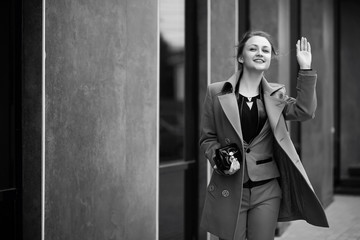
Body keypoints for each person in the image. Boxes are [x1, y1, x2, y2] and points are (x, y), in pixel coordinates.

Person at [199, 30, 329, 240]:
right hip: (231, 186)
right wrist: (217, 158)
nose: (260, 53)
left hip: (267, 189)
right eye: (253, 48)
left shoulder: (276, 95)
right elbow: (207, 138)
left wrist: (305, 68)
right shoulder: (216, 92)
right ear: (241, 57)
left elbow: (305, 111)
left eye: (266, 50)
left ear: (270, 58)